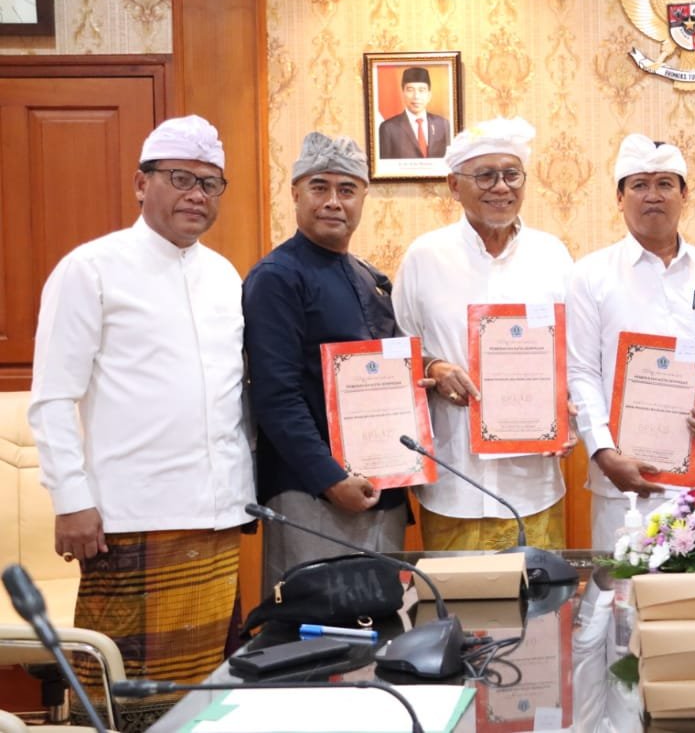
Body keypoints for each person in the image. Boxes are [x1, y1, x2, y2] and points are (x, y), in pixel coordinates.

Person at [28, 115, 254, 731]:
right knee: (123, 703)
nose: (197, 195)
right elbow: (52, 399)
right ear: (140, 183)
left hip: (216, 518)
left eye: (210, 183)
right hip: (129, 522)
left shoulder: (225, 274)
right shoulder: (91, 268)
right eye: (181, 178)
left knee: (210, 702)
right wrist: (71, 501)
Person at [244, 132, 416, 595]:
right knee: (315, 623)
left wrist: (431, 370)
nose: (333, 202)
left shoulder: (368, 276)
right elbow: (276, 397)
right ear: (295, 193)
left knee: (380, 619)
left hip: (380, 486)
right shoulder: (277, 278)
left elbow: (390, 366)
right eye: (319, 187)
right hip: (313, 493)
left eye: (347, 189)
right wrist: (330, 478)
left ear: (363, 197)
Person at [393, 117, 574, 550]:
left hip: (534, 485)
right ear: (454, 186)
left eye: (512, 174)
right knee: (455, 594)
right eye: (486, 176)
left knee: (541, 594)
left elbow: (578, 355)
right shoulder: (425, 257)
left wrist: (571, 418)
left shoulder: (552, 256)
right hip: (454, 485)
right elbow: (399, 349)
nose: (501, 187)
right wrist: (434, 368)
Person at [566, 134, 695, 548]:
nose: (652, 195)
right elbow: (581, 371)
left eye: (665, 184)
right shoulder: (590, 276)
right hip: (622, 484)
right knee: (621, 585)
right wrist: (603, 453)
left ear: (685, 194)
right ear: (619, 198)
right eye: (639, 184)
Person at [378, 67, 451, 159]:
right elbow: (384, 164)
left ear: (429, 95)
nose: (416, 96)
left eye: (421, 90)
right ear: (402, 94)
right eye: (410, 90)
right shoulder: (388, 128)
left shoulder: (442, 124)